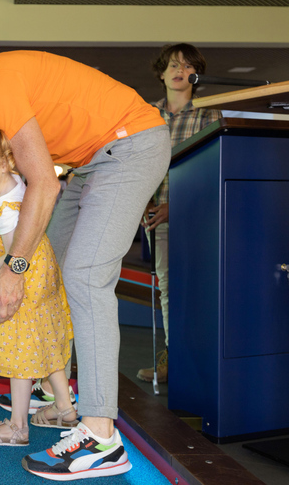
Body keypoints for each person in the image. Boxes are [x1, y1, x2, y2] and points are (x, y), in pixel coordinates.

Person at [0, 37, 170, 480]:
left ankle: (101, 437)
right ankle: (49, 388)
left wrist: (13, 266)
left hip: (129, 144)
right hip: (89, 161)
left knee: (83, 276)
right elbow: (17, 174)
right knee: (53, 266)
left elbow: (44, 184)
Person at [0, 127, 75, 447]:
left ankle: (18, 427)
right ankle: (64, 408)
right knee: (45, 336)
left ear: (5, 162)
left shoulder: (7, 210)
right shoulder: (12, 186)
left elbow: (12, 258)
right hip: (43, 272)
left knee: (19, 347)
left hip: (24, 277)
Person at [137, 43, 222, 384]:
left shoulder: (209, 115)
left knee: (201, 288)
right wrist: (140, 199)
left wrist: (179, 205)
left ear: (196, 74)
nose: (178, 70)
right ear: (161, 72)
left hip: (200, 218)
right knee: (170, 289)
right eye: (172, 64)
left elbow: (214, 171)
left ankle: (199, 363)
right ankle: (177, 362)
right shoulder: (144, 115)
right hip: (155, 216)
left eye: (187, 66)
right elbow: (135, 164)